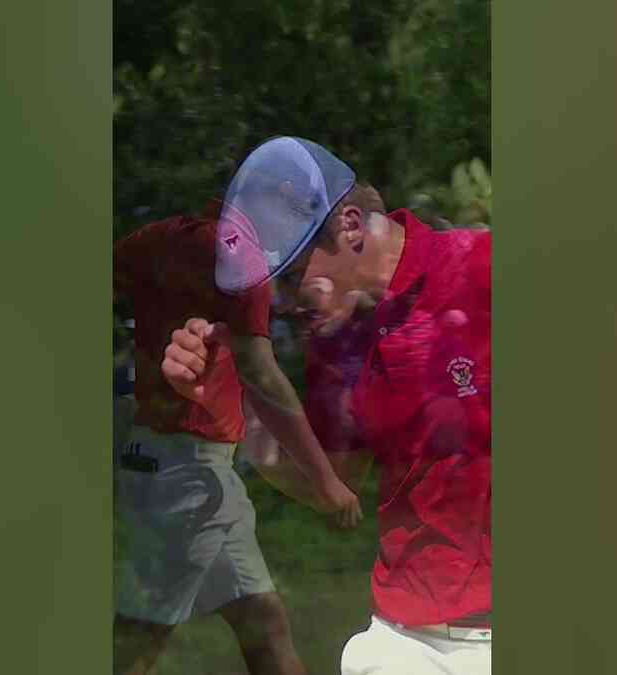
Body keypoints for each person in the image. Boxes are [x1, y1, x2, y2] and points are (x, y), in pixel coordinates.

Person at [160, 136, 492, 675]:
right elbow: (331, 486)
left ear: (353, 226)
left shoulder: (483, 271)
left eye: (291, 277)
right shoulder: (338, 342)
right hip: (406, 642)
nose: (286, 303)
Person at [112, 189, 363, 675]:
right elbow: (264, 379)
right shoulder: (241, 258)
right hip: (187, 475)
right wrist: (327, 484)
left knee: (264, 624)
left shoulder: (161, 236)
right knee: (137, 643)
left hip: (166, 461)